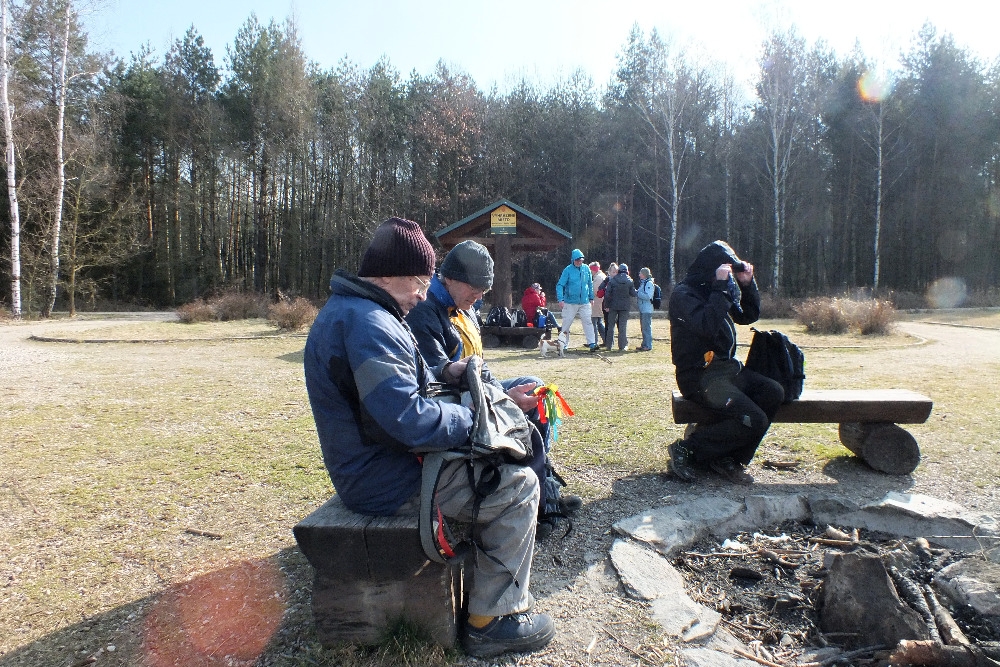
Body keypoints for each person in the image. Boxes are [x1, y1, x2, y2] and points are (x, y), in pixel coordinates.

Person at [303, 219, 555, 657]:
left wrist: (446, 372)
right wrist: (471, 418)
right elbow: (408, 419)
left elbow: (403, 388)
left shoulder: (366, 312)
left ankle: (489, 578)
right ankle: (492, 621)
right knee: (518, 487)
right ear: (390, 273)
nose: (423, 294)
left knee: (502, 460)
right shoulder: (368, 324)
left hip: (383, 461)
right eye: (420, 282)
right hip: (383, 477)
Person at [407, 240, 582, 539]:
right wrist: (502, 400)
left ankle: (542, 483)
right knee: (520, 407)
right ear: (448, 277)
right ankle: (535, 501)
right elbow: (435, 382)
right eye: (473, 288)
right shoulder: (424, 313)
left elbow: (480, 365)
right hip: (455, 403)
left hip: (479, 390)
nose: (478, 297)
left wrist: (497, 389)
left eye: (482, 292)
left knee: (539, 391)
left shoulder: (464, 307)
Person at [666, 240, 784, 485]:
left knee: (773, 391)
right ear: (710, 269)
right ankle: (686, 450)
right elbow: (706, 327)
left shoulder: (716, 289)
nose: (728, 275)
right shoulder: (683, 295)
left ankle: (727, 459)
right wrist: (720, 287)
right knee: (755, 419)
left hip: (726, 371)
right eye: (725, 269)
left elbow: (747, 316)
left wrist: (747, 285)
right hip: (698, 376)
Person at [555, 248, 597, 350]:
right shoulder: (567, 270)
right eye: (577, 260)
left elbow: (590, 284)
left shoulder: (586, 268)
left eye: (581, 260)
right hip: (570, 302)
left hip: (585, 301)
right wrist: (561, 299)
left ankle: (592, 343)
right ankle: (563, 344)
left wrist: (591, 297)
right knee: (566, 323)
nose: (579, 262)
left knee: (588, 322)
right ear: (573, 260)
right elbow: (560, 285)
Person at [604, 262, 636, 351]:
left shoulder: (613, 280)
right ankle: (622, 346)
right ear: (627, 271)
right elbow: (633, 293)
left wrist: (606, 305)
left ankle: (609, 345)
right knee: (622, 326)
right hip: (625, 307)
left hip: (613, 306)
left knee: (611, 326)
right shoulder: (630, 281)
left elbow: (607, 294)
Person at [635, 267, 655, 351]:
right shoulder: (643, 283)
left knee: (646, 327)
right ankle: (644, 344)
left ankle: (648, 345)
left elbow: (648, 296)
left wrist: (637, 293)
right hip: (643, 308)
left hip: (647, 309)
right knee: (644, 327)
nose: (639, 274)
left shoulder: (649, 283)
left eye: (640, 273)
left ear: (644, 274)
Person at [597, 262, 617, 345]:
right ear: (609, 272)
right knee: (608, 324)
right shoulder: (606, 280)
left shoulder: (619, 280)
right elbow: (599, 293)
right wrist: (604, 290)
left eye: (616, 272)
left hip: (616, 305)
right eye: (613, 272)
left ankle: (618, 343)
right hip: (607, 305)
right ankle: (608, 342)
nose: (615, 274)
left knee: (617, 324)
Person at [589, 262, 607, 346]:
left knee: (594, 323)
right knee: (599, 323)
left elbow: (595, 291)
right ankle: (606, 340)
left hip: (597, 303)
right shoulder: (601, 276)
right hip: (599, 303)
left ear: (593, 270)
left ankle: (594, 342)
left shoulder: (598, 278)